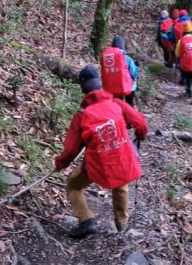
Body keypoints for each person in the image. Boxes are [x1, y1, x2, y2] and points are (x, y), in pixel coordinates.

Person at [54, 66, 148, 238]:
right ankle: (121, 224)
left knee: (73, 186)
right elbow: (140, 123)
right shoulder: (116, 104)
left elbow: (71, 149)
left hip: (97, 164)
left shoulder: (82, 114)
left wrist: (61, 163)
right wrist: (140, 135)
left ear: (83, 89)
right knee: (121, 182)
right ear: (100, 84)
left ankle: (86, 220)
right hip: (121, 157)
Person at [101, 36, 139, 106]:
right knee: (129, 105)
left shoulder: (106, 58)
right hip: (128, 87)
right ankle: (128, 114)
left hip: (113, 88)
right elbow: (134, 74)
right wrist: (137, 68)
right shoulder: (127, 59)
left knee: (117, 105)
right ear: (123, 46)